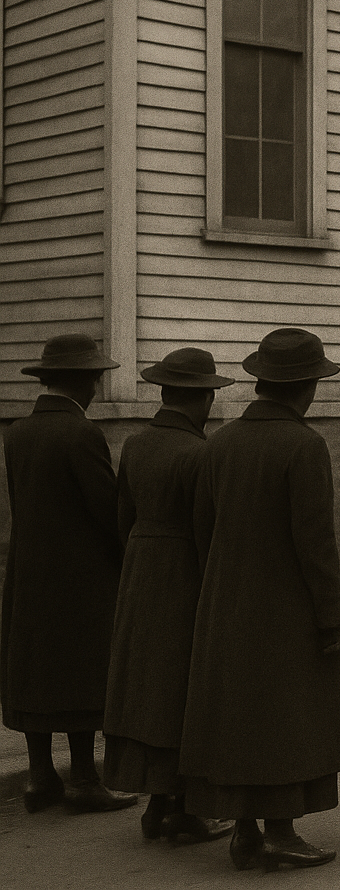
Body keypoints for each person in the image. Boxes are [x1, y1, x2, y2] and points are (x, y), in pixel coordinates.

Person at [180, 328, 340, 870]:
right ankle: (279, 830)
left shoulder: (220, 442)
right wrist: (331, 614)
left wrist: (222, 587)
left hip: (227, 603)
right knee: (285, 717)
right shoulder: (304, 446)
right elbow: (316, 544)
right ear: (307, 387)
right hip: (287, 608)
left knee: (239, 716)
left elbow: (201, 529)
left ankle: (246, 831)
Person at [103, 348, 235, 843]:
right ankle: (180, 808)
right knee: (182, 689)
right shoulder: (201, 453)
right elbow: (207, 530)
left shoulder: (136, 444)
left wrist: (138, 564)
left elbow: (123, 518)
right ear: (200, 398)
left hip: (141, 573)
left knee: (146, 688)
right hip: (185, 577)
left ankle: (156, 805)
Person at [1, 333, 137, 815]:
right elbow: (107, 511)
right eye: (95, 379)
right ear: (82, 382)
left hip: (27, 575)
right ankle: (82, 779)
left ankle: (40, 778)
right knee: (80, 673)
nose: (97, 389)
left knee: (35, 671)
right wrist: (128, 563)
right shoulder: (82, 434)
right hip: (79, 580)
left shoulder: (17, 432)